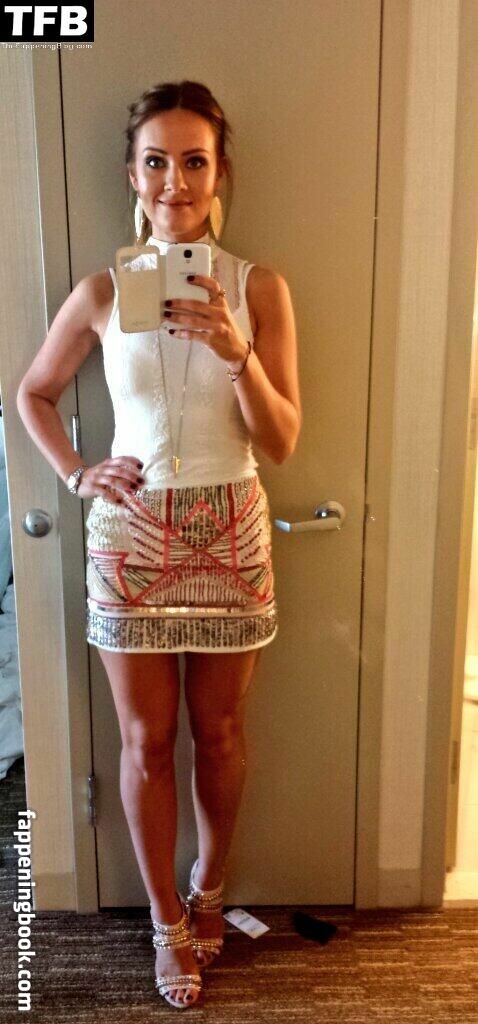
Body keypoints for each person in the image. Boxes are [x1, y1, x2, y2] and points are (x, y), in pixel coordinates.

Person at [16, 79, 301, 1010]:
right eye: (156, 161)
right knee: (146, 741)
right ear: (132, 175)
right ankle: (166, 918)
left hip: (232, 527)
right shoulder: (103, 290)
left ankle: (211, 885)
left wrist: (235, 349)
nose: (174, 179)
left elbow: (283, 440)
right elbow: (32, 393)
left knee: (219, 736)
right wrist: (77, 473)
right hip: (131, 536)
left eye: (193, 160)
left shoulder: (259, 288)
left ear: (219, 174)